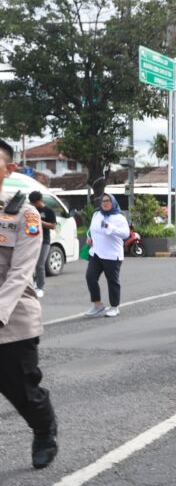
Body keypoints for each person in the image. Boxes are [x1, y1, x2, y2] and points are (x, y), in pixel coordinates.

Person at [0, 139, 59, 469]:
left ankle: (44, 429)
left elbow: (22, 271)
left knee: (23, 392)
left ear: (9, 169)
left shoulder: (24, 213)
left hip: (12, 321)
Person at [85, 193, 130, 318]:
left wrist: (111, 228)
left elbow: (125, 234)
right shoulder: (96, 214)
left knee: (112, 281)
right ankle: (97, 304)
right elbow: (91, 230)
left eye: (108, 201)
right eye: (103, 200)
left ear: (113, 202)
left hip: (112, 255)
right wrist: (89, 237)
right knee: (90, 277)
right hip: (96, 253)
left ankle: (114, 307)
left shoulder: (119, 218)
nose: (105, 203)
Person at [27, 191, 56, 299]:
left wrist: (40, 222)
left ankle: (40, 287)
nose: (34, 205)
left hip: (45, 241)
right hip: (32, 240)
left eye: (35, 202)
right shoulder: (31, 210)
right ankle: (34, 284)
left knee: (40, 264)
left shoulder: (48, 211)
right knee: (32, 264)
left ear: (40, 200)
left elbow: (53, 226)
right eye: (32, 203)